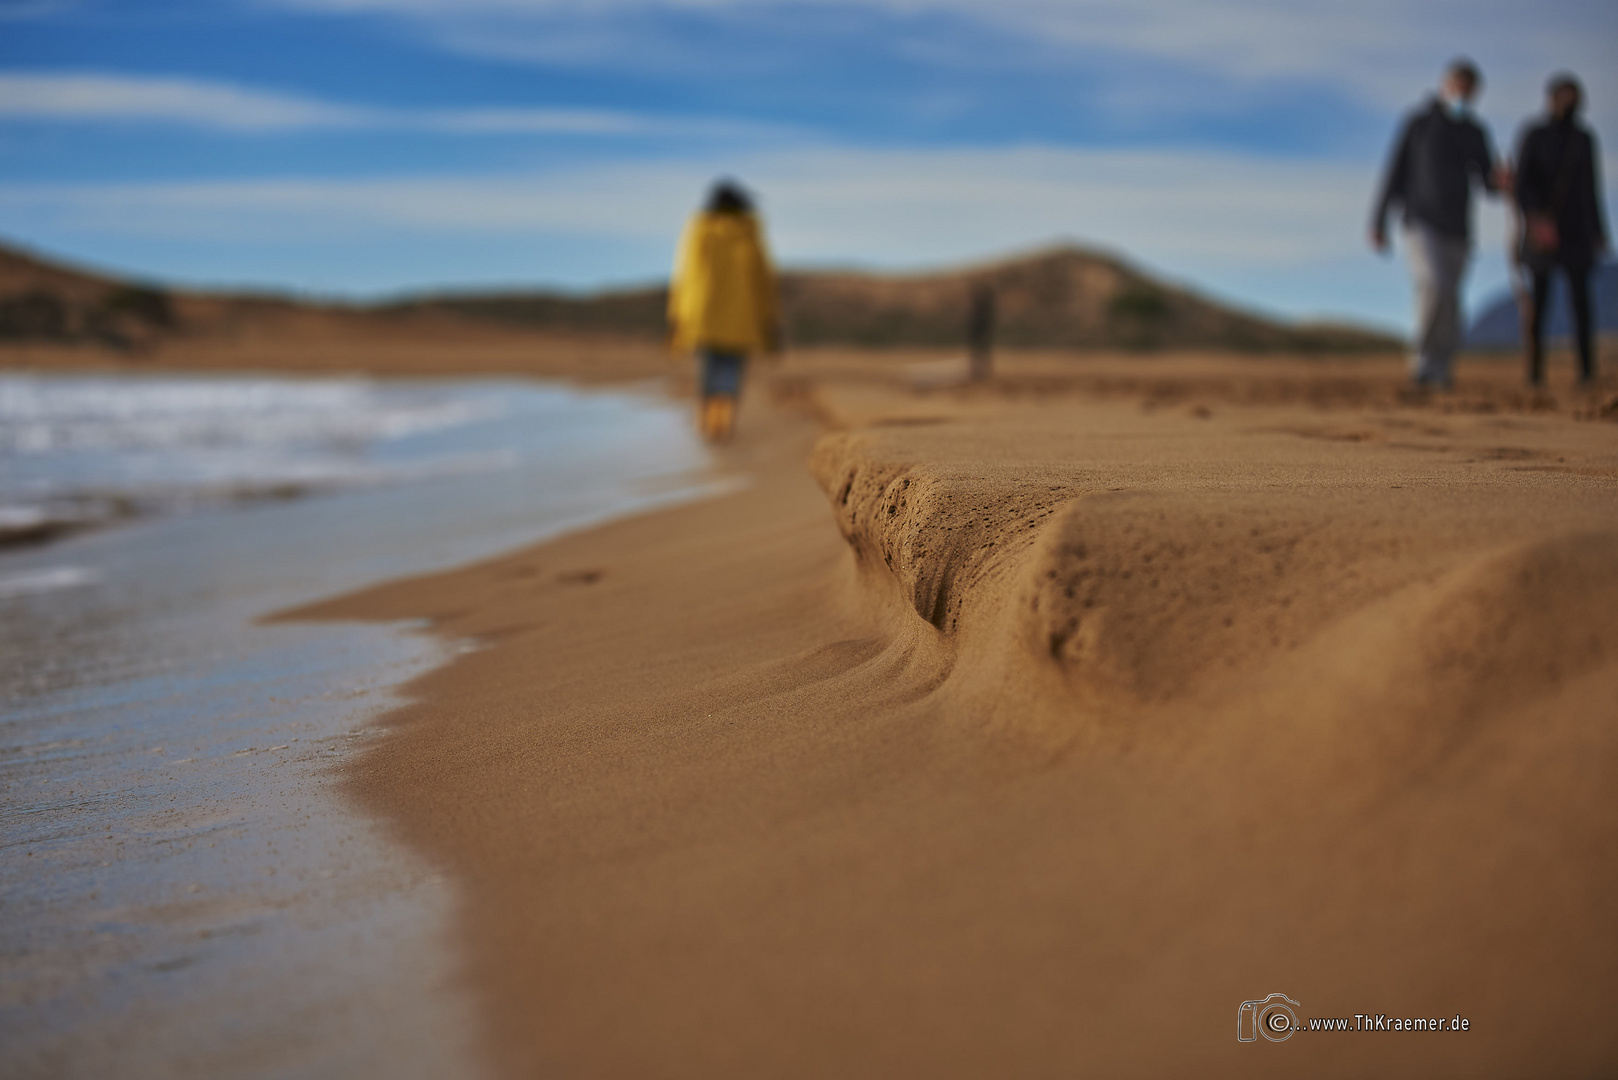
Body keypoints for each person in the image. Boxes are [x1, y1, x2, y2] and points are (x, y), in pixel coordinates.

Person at [1371, 59, 1504, 390]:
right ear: (1445, 84)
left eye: (1468, 90)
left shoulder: (1476, 132)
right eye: (1457, 86)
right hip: (1421, 221)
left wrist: (1501, 182)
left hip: (1458, 227)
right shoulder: (1419, 124)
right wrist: (1378, 219)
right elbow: (1395, 170)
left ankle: (1442, 368)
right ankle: (1424, 363)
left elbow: (1488, 183)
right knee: (1434, 284)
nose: (1461, 94)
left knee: (1451, 297)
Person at [1513, 72, 1610, 388]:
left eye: (1575, 95)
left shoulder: (1585, 139)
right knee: (1540, 303)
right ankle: (1535, 372)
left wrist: (1599, 230)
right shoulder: (1535, 134)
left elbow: (1592, 189)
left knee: (1582, 303)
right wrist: (1536, 219)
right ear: (1552, 98)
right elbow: (1521, 183)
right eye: (1565, 95)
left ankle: (1586, 371)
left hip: (1578, 231)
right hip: (1543, 233)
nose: (1571, 102)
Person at [667, 179, 780, 442]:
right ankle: (724, 422)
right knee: (731, 371)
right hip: (743, 316)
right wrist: (770, 318)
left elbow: (685, 273)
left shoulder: (700, 227)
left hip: (703, 313)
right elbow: (763, 279)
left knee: (708, 369)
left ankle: (706, 423)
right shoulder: (749, 230)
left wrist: (676, 314)